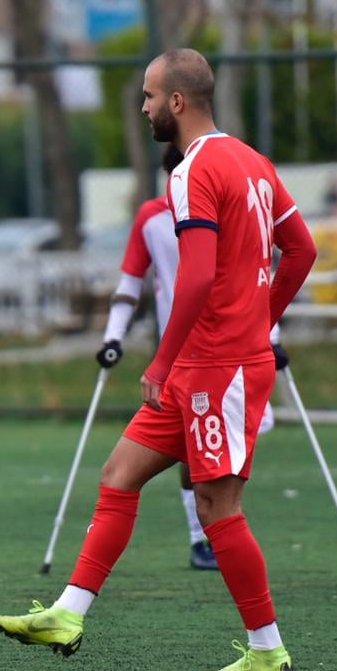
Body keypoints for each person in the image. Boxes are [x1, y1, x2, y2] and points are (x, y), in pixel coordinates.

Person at [0, 48, 317, 671]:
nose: (142, 108)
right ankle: (68, 613)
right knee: (120, 473)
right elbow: (300, 248)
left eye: (147, 96)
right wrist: (261, 317)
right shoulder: (252, 161)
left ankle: (267, 650)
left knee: (219, 508)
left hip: (214, 368)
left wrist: (165, 359)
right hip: (215, 360)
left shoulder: (193, 170)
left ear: (177, 101)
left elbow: (195, 275)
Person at [98, 142, 286, 572]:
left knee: (205, 470)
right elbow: (131, 282)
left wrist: (268, 331)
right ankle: (200, 541)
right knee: (131, 472)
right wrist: (113, 337)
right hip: (179, 351)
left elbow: (249, 277)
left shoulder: (228, 203)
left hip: (224, 354)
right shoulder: (152, 217)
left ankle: (259, 625)